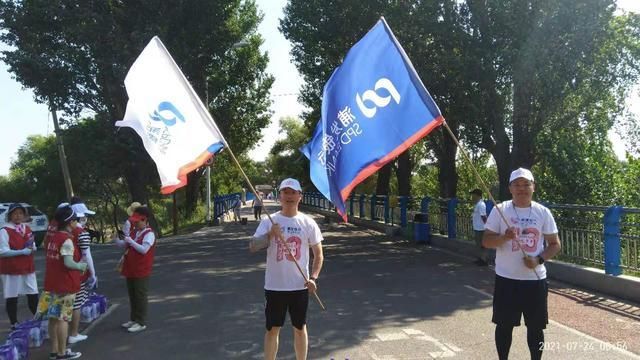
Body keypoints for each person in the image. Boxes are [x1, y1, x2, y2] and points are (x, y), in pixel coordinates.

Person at [482, 168, 562, 360]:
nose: (522, 189)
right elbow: (486, 241)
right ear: (510, 188)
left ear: (533, 187)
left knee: (535, 328)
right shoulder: (500, 210)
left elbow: (555, 244)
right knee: (504, 326)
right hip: (506, 279)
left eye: (526, 184)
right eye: (517, 185)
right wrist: (503, 237)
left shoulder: (543, 212)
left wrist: (538, 260)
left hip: (534, 281)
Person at [249, 178, 324, 360]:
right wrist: (270, 234)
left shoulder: (308, 223)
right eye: (285, 192)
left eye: (293, 192)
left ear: (300, 196)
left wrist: (313, 278)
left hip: (300, 286)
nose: (289, 196)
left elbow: (319, 254)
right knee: (272, 329)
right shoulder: (270, 220)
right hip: (275, 287)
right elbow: (252, 246)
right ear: (280, 196)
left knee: (300, 328)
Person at [37, 205, 87, 360]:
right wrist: (81, 266)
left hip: (51, 284)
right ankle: (62, 353)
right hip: (65, 285)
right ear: (69, 222)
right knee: (63, 319)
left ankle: (54, 351)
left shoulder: (53, 237)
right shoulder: (66, 240)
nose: (77, 224)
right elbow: (68, 263)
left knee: (53, 318)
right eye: (75, 221)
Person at [115, 206, 156, 333]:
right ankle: (133, 319)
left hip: (141, 270)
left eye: (138, 221)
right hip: (131, 268)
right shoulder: (134, 232)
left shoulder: (149, 234)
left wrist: (131, 241)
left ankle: (141, 321)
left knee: (140, 295)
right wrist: (117, 239)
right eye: (134, 221)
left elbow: (144, 250)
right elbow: (124, 245)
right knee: (132, 295)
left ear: (145, 220)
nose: (135, 223)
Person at [0, 203, 38, 329]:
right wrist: (21, 251)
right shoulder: (4, 230)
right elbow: (2, 251)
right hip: (11, 268)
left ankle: (38, 319)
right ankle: (14, 323)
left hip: (27, 267)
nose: (18, 216)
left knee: (33, 293)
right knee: (12, 296)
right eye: (15, 213)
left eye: (20, 213)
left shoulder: (26, 228)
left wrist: (33, 248)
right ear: (10, 215)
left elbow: (32, 244)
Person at [67, 197, 98, 344]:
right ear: (81, 216)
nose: (86, 218)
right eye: (85, 216)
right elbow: (87, 255)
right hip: (78, 273)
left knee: (66, 304)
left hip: (64, 272)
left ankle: (67, 333)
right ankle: (73, 333)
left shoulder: (64, 229)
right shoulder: (82, 233)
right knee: (77, 304)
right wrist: (93, 274)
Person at [470, 189, 488, 266]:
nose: (472, 197)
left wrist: (487, 227)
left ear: (477, 195)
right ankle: (480, 258)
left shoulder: (481, 204)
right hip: (478, 228)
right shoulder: (477, 204)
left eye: (473, 195)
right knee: (479, 245)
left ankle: (484, 260)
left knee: (482, 245)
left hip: (481, 228)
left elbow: (483, 216)